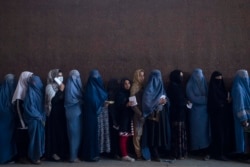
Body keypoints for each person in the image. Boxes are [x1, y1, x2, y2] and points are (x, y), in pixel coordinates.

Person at [142, 69, 170, 161]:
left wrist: (165, 101)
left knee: (160, 134)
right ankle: (154, 153)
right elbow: (146, 102)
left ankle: (160, 151)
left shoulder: (161, 88)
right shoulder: (148, 89)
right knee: (153, 135)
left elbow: (166, 98)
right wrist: (158, 101)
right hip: (152, 117)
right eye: (155, 77)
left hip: (161, 115)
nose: (157, 80)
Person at [82, 70, 108, 162]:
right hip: (90, 115)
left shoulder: (91, 88)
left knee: (93, 134)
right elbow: (93, 102)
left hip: (91, 115)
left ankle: (93, 154)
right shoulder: (90, 89)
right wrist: (101, 104)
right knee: (90, 134)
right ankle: (90, 155)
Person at [186, 68, 210, 160]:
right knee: (196, 131)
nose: (199, 78)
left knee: (204, 132)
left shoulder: (204, 83)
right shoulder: (190, 85)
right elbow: (192, 97)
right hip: (195, 113)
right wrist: (204, 99)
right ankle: (196, 149)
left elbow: (208, 95)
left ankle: (204, 149)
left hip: (204, 113)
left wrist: (203, 99)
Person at [45, 69, 69, 161]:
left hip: (61, 113)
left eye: (61, 76)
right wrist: (60, 91)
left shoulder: (61, 86)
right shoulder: (49, 87)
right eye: (58, 76)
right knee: (54, 133)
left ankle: (61, 152)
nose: (60, 77)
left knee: (61, 133)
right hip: (53, 114)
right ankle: (53, 153)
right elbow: (53, 101)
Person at [207, 71, 230, 161]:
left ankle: (223, 152)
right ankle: (218, 153)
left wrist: (227, 101)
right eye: (217, 79)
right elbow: (214, 102)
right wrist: (223, 103)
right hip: (216, 117)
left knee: (223, 134)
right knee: (218, 134)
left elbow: (225, 99)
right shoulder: (212, 90)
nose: (219, 81)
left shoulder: (223, 89)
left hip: (224, 116)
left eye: (221, 78)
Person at [23, 75, 46, 164]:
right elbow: (28, 108)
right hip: (33, 119)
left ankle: (39, 154)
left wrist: (42, 116)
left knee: (40, 137)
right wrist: (38, 116)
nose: (35, 84)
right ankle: (34, 157)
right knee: (34, 138)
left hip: (41, 118)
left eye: (37, 81)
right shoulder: (30, 93)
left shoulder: (41, 92)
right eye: (33, 82)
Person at [12, 71, 33, 163]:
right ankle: (21, 157)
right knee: (21, 139)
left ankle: (25, 156)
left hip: (26, 120)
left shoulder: (27, 90)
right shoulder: (18, 94)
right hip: (21, 122)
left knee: (26, 139)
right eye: (29, 79)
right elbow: (18, 109)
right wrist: (22, 122)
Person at [167, 70, 188, 160]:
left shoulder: (178, 86)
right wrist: (185, 102)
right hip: (176, 114)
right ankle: (178, 153)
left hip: (180, 114)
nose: (181, 78)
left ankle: (181, 153)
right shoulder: (173, 87)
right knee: (177, 134)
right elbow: (178, 101)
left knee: (180, 133)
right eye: (180, 76)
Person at [64, 70, 83, 162]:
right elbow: (70, 101)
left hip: (76, 113)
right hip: (73, 114)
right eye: (76, 77)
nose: (77, 79)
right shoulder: (70, 87)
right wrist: (81, 101)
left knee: (76, 135)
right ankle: (73, 156)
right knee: (74, 135)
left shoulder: (73, 86)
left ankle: (74, 155)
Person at [116, 78, 135, 162]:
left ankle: (125, 153)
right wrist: (126, 104)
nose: (127, 85)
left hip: (129, 117)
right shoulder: (120, 93)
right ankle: (124, 155)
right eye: (125, 84)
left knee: (127, 136)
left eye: (128, 83)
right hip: (123, 118)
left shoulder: (130, 93)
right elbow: (118, 106)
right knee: (123, 135)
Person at [231, 70, 250, 155]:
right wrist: (243, 119)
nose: (246, 78)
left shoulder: (244, 87)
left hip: (247, 117)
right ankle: (243, 154)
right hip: (243, 119)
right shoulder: (238, 88)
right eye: (244, 77)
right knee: (243, 137)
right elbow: (239, 105)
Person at [0, 74, 17, 164]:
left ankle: (8, 157)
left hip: (7, 119)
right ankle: (5, 158)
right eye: (10, 81)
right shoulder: (7, 91)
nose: (12, 83)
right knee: (5, 139)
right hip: (5, 119)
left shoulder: (3, 90)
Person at [130, 69, 145, 160]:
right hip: (137, 114)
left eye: (143, 75)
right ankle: (138, 154)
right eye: (140, 76)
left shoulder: (142, 86)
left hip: (143, 114)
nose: (142, 78)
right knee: (137, 135)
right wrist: (139, 113)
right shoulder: (134, 87)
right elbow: (133, 104)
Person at [107, 78, 120, 159]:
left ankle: (113, 152)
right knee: (115, 137)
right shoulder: (115, 94)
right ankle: (115, 153)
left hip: (110, 118)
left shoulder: (108, 93)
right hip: (114, 118)